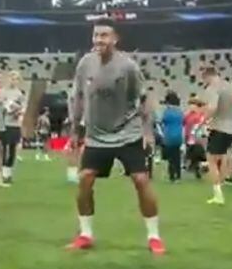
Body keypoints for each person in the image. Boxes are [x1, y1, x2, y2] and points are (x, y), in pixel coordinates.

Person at [66, 19, 164, 255]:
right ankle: (85, 234)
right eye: (96, 35)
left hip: (126, 131)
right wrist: (74, 131)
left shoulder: (128, 67)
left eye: (105, 35)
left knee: (141, 180)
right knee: (85, 179)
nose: (99, 40)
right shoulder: (85, 64)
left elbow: (142, 100)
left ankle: (154, 237)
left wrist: (147, 133)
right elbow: (78, 97)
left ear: (115, 39)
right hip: (96, 134)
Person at [200, 66, 232, 205]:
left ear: (206, 76)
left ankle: (218, 194)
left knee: (211, 160)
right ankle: (221, 187)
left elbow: (213, 107)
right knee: (224, 157)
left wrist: (202, 121)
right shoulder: (231, 87)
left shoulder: (213, 88)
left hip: (220, 127)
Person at [0, 70, 27, 184]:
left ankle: (8, 174)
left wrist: (18, 111)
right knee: (4, 149)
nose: (14, 81)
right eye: (12, 78)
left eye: (16, 79)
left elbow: (23, 108)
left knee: (13, 149)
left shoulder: (19, 94)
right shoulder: (2, 92)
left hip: (15, 124)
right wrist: (6, 108)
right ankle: (3, 173)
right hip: (5, 124)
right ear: (8, 79)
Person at [159, 91, 185, 183]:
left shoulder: (167, 112)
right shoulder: (180, 112)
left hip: (169, 136)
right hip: (178, 136)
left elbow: (161, 122)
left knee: (171, 158)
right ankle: (178, 175)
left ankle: (172, 176)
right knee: (177, 157)